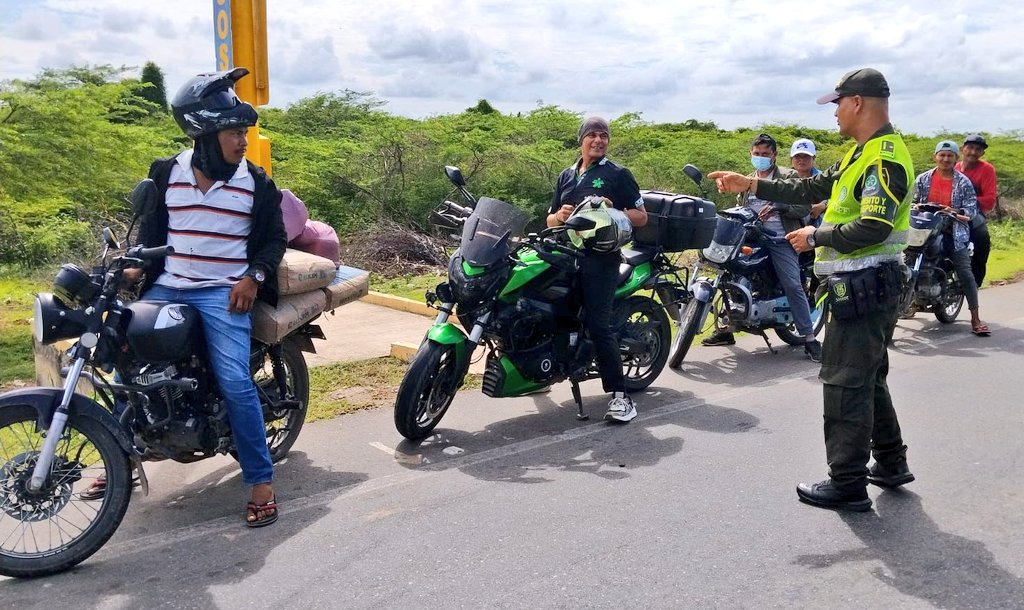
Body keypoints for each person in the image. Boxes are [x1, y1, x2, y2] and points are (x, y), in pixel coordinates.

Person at [709, 67, 915, 512]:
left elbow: (874, 225)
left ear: (857, 102)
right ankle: (892, 463)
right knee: (868, 377)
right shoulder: (861, 153)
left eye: (838, 103)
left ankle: (846, 482)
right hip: (866, 286)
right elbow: (816, 187)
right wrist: (752, 184)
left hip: (864, 286)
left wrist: (815, 238)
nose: (835, 113)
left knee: (844, 382)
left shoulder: (884, 158)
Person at [138, 68, 286, 526]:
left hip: (223, 293)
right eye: (234, 132)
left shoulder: (255, 183)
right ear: (203, 134)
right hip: (170, 286)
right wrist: (133, 268)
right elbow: (151, 235)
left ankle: (260, 481)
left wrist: (253, 277)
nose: (243, 140)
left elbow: (273, 240)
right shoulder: (166, 172)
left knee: (235, 382)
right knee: (124, 359)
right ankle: (123, 455)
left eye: (244, 131)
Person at [547, 117, 648, 422]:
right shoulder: (567, 175)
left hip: (601, 259)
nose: (598, 140)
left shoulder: (617, 174)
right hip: (565, 256)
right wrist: (559, 217)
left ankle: (621, 397)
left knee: (597, 324)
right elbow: (549, 219)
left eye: (603, 135)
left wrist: (611, 209)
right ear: (581, 139)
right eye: (592, 134)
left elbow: (641, 217)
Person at [701, 133, 822, 362]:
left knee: (793, 284)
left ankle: (809, 338)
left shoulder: (789, 176)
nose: (761, 157)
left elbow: (804, 208)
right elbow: (741, 208)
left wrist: (780, 208)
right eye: (757, 154)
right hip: (750, 237)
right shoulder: (746, 180)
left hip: (780, 239)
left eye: (765, 154)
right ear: (750, 154)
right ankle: (726, 328)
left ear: (774, 156)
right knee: (726, 272)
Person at [912, 140, 990, 336]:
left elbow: (971, 210)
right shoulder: (922, 179)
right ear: (935, 156)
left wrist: (954, 211)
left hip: (954, 232)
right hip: (925, 231)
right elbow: (912, 201)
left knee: (965, 271)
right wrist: (915, 207)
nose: (945, 159)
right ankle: (910, 299)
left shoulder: (963, 182)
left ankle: (976, 318)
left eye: (950, 156)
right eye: (942, 155)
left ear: (956, 159)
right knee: (904, 261)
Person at [956, 134, 998, 287]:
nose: (973, 152)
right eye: (970, 148)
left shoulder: (987, 170)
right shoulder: (952, 167)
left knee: (982, 238)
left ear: (982, 153)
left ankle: (976, 281)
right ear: (962, 149)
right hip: (949, 212)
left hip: (974, 214)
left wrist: (964, 203)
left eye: (978, 149)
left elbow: (989, 200)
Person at [789, 138, 828, 225]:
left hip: (818, 230)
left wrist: (824, 205)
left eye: (806, 156)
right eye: (798, 156)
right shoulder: (783, 178)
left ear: (813, 158)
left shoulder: (824, 178)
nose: (801, 160)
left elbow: (838, 198)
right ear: (791, 158)